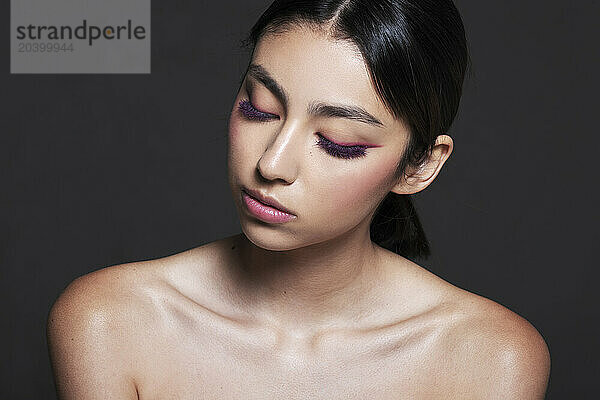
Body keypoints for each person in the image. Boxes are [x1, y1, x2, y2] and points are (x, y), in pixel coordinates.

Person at [47, 0, 551, 398]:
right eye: (260, 107)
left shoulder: (490, 358)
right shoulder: (108, 321)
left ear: (420, 165)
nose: (271, 164)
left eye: (338, 142)